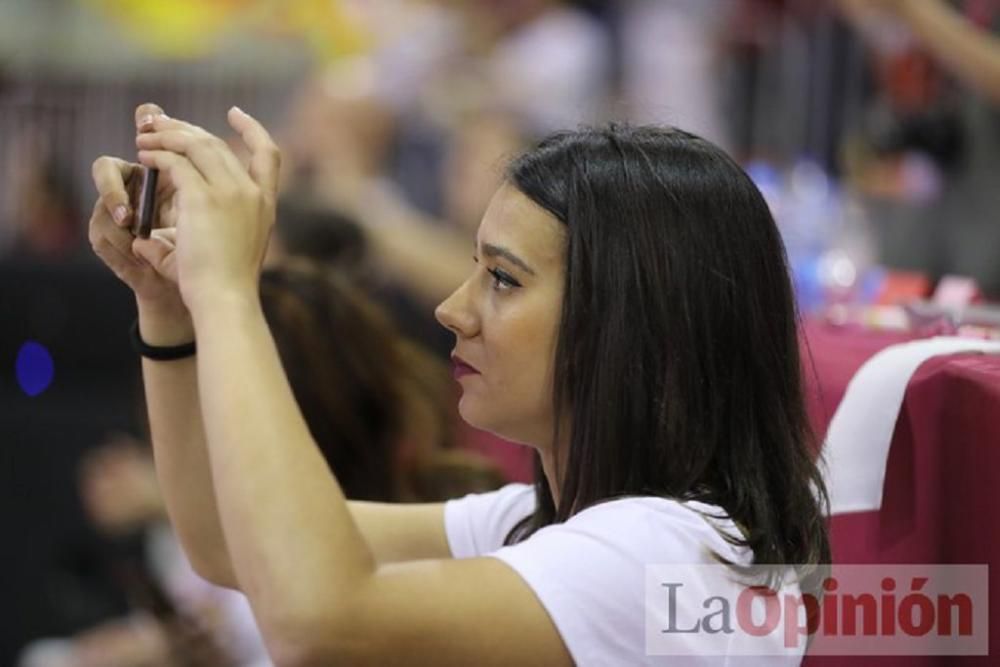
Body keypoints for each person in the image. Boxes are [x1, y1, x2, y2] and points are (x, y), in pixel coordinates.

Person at [87, 103, 829, 665]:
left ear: (627, 322)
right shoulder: (544, 524)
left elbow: (316, 618)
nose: (451, 308)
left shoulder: (669, 555)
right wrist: (169, 306)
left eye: (502, 278)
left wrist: (226, 295)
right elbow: (223, 541)